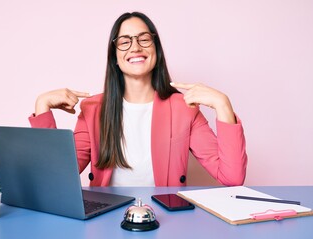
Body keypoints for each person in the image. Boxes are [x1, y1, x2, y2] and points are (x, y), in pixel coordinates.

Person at [29, 12, 248, 187]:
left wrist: (223, 105)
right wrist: (42, 107)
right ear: (114, 56)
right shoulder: (93, 109)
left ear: (156, 50)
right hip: (106, 217)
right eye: (124, 41)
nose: (135, 47)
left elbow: (232, 178)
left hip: (166, 218)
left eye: (144, 39)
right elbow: (54, 177)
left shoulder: (184, 109)